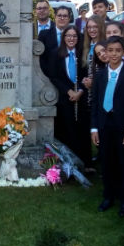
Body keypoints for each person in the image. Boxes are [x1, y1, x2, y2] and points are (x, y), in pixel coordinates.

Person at [91, 36, 124, 217]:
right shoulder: (101, 74)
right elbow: (95, 102)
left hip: (123, 126)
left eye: (117, 51)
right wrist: (94, 128)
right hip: (104, 125)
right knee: (107, 162)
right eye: (110, 50)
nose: (113, 54)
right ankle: (108, 196)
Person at [48, 25, 90, 166]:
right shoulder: (55, 53)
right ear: (63, 38)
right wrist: (68, 91)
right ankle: (65, 163)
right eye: (68, 36)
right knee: (66, 129)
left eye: (74, 36)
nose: (71, 39)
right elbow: (54, 77)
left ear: (78, 38)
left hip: (81, 97)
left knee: (81, 130)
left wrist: (80, 91)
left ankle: (84, 162)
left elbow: (87, 76)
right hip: (64, 98)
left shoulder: (82, 54)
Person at [39, 5, 72, 77]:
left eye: (65, 16)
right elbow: (41, 59)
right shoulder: (43, 35)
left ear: (69, 18)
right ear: (55, 17)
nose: (62, 18)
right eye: (59, 15)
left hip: (69, 77)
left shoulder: (76, 36)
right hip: (49, 77)